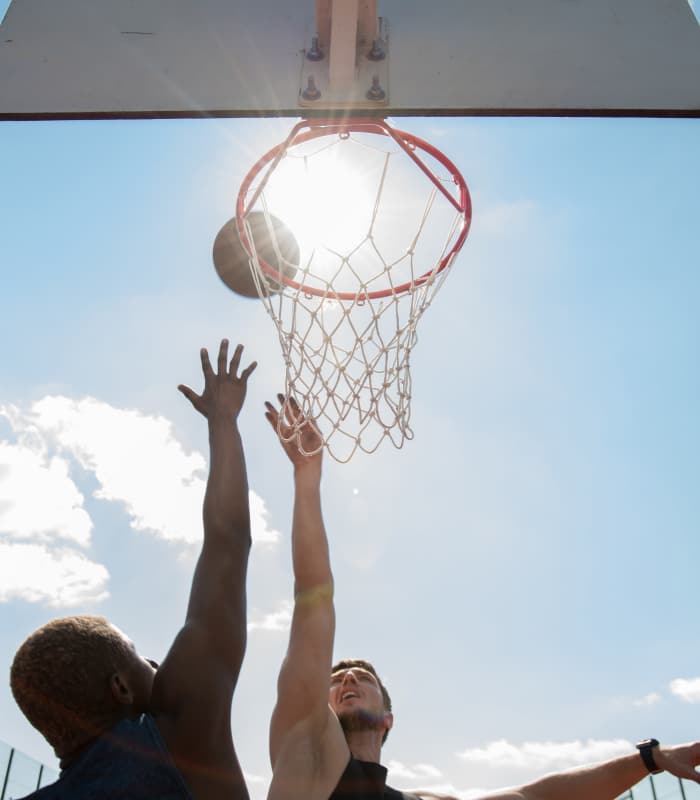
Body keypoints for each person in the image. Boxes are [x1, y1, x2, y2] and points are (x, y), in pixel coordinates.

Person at [263, 395, 700, 800]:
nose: (348, 679)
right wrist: (308, 479)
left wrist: (648, 758)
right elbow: (313, 600)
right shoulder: (305, 752)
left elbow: (536, 797)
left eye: (362, 677)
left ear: (388, 719)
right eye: (337, 678)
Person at [10, 339, 256, 800]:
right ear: (120, 687)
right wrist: (223, 422)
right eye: (137, 653)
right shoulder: (177, 736)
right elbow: (228, 543)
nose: (156, 662)